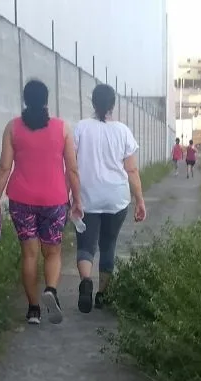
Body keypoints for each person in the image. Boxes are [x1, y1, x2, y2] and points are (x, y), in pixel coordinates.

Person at [0, 79, 83, 325]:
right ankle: (50, 290)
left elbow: (3, 167)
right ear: (46, 100)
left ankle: (33, 310)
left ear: (24, 99)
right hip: (54, 200)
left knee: (29, 255)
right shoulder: (62, 129)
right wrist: (77, 200)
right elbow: (72, 169)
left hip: (21, 200)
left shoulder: (12, 128)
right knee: (52, 252)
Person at [72, 84, 147, 314]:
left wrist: (71, 196)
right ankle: (103, 295)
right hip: (116, 198)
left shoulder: (81, 128)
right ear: (112, 105)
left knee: (86, 245)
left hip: (87, 197)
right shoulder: (123, 131)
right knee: (108, 245)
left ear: (92, 103)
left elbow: (70, 166)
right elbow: (132, 170)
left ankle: (86, 281)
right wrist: (139, 200)